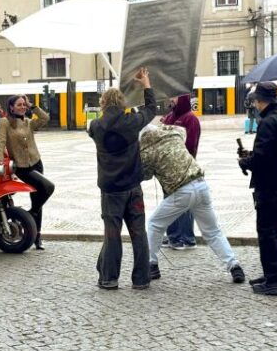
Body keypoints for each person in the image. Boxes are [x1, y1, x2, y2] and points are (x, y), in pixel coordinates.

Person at [140, 124, 245, 283]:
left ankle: (151, 265)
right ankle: (234, 266)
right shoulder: (174, 135)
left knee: (155, 223)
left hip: (180, 192)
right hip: (201, 185)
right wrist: (165, 127)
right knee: (213, 231)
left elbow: (145, 175)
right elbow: (183, 130)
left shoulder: (146, 151)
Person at [88, 68, 156, 290]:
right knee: (139, 233)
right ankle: (141, 279)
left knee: (112, 234)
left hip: (110, 190)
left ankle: (109, 278)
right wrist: (145, 85)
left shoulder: (95, 127)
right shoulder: (131, 122)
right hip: (133, 187)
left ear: (103, 104)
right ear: (122, 103)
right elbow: (151, 110)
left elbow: (92, 129)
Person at [238, 82, 277, 295]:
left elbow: (263, 157)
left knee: (267, 232)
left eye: (255, 100)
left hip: (271, 185)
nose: (254, 104)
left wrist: (246, 162)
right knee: (275, 231)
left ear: (259, 100)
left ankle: (275, 280)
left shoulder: (268, 122)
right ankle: (273, 273)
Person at [0, 95, 53, 250]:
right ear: (11, 107)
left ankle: (36, 236)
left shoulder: (28, 122)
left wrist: (32, 106)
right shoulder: (5, 122)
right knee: (49, 187)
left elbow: (45, 118)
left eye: (24, 104)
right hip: (22, 167)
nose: (23, 107)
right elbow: (0, 142)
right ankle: (30, 215)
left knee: (37, 199)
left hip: (36, 163)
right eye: (19, 104)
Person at [162, 93, 200, 250]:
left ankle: (187, 238)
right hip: (168, 168)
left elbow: (190, 144)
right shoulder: (170, 116)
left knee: (184, 203)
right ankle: (173, 236)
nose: (172, 99)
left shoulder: (190, 119)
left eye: (175, 97)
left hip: (183, 168)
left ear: (183, 99)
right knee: (169, 202)